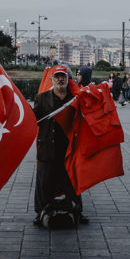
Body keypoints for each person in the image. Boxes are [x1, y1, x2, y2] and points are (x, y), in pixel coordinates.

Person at [33, 65, 88, 226]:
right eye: (56, 77)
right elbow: (33, 119)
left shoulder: (75, 98)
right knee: (43, 183)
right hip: (47, 147)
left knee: (72, 182)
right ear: (52, 79)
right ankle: (40, 212)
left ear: (67, 79)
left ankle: (78, 210)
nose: (60, 79)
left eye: (63, 76)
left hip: (68, 149)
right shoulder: (41, 98)